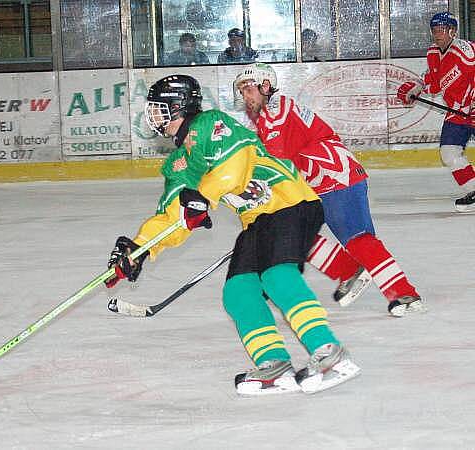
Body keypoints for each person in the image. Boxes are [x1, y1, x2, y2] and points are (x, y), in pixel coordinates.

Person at [105, 74, 360, 395]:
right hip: (256, 220)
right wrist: (141, 248)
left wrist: (204, 196)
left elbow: (234, 161)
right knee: (238, 292)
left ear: (179, 106)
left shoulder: (210, 124)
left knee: (278, 277)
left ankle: (330, 354)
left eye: (159, 108)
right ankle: (274, 365)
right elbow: (174, 215)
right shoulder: (177, 164)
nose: (153, 116)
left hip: (289, 201)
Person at [234, 63, 425, 317]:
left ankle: (404, 294)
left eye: (249, 89)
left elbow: (277, 160)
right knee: (294, 236)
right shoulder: (269, 115)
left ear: (265, 86)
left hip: (336, 178)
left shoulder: (277, 111)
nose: (246, 96)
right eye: (242, 91)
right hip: (315, 186)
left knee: (358, 240)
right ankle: (349, 271)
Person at [397, 12, 475, 212]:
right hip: (457, 111)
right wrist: (417, 87)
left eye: (442, 29)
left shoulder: (465, 51)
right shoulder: (433, 52)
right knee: (449, 152)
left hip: (472, 106)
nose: (437, 33)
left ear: (452, 31)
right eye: (435, 30)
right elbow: (435, 83)